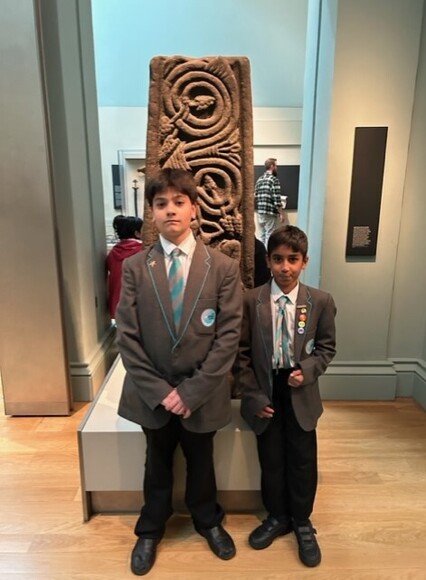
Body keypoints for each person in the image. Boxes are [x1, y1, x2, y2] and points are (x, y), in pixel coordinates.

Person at [116, 168, 243, 576]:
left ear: (193, 209)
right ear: (151, 213)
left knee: (201, 460)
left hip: (200, 394)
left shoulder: (222, 267)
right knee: (156, 462)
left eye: (178, 202)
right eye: (160, 204)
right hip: (152, 393)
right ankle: (151, 528)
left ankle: (207, 520)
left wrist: (191, 392)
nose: (170, 210)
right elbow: (127, 337)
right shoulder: (136, 267)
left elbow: (228, 337)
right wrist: (161, 391)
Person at [236, 225, 336, 568]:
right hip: (265, 389)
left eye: (293, 259)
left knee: (302, 458)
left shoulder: (319, 302)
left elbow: (326, 348)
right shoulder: (251, 301)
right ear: (268, 261)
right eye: (278, 259)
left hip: (300, 389)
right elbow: (241, 354)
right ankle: (278, 516)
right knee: (272, 457)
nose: (285, 267)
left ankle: (302, 521)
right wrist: (252, 395)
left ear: (305, 261)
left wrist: (307, 370)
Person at [106, 215, 143, 319]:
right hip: (136, 304)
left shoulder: (113, 252)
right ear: (137, 233)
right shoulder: (143, 251)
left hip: (117, 304)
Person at [255, 158, 285, 247]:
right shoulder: (274, 180)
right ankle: (267, 254)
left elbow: (255, 195)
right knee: (269, 235)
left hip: (260, 212)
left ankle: (261, 254)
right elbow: (276, 199)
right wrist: (281, 213)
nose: (277, 168)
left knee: (262, 235)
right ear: (272, 166)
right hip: (270, 212)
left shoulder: (259, 179)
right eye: (276, 166)